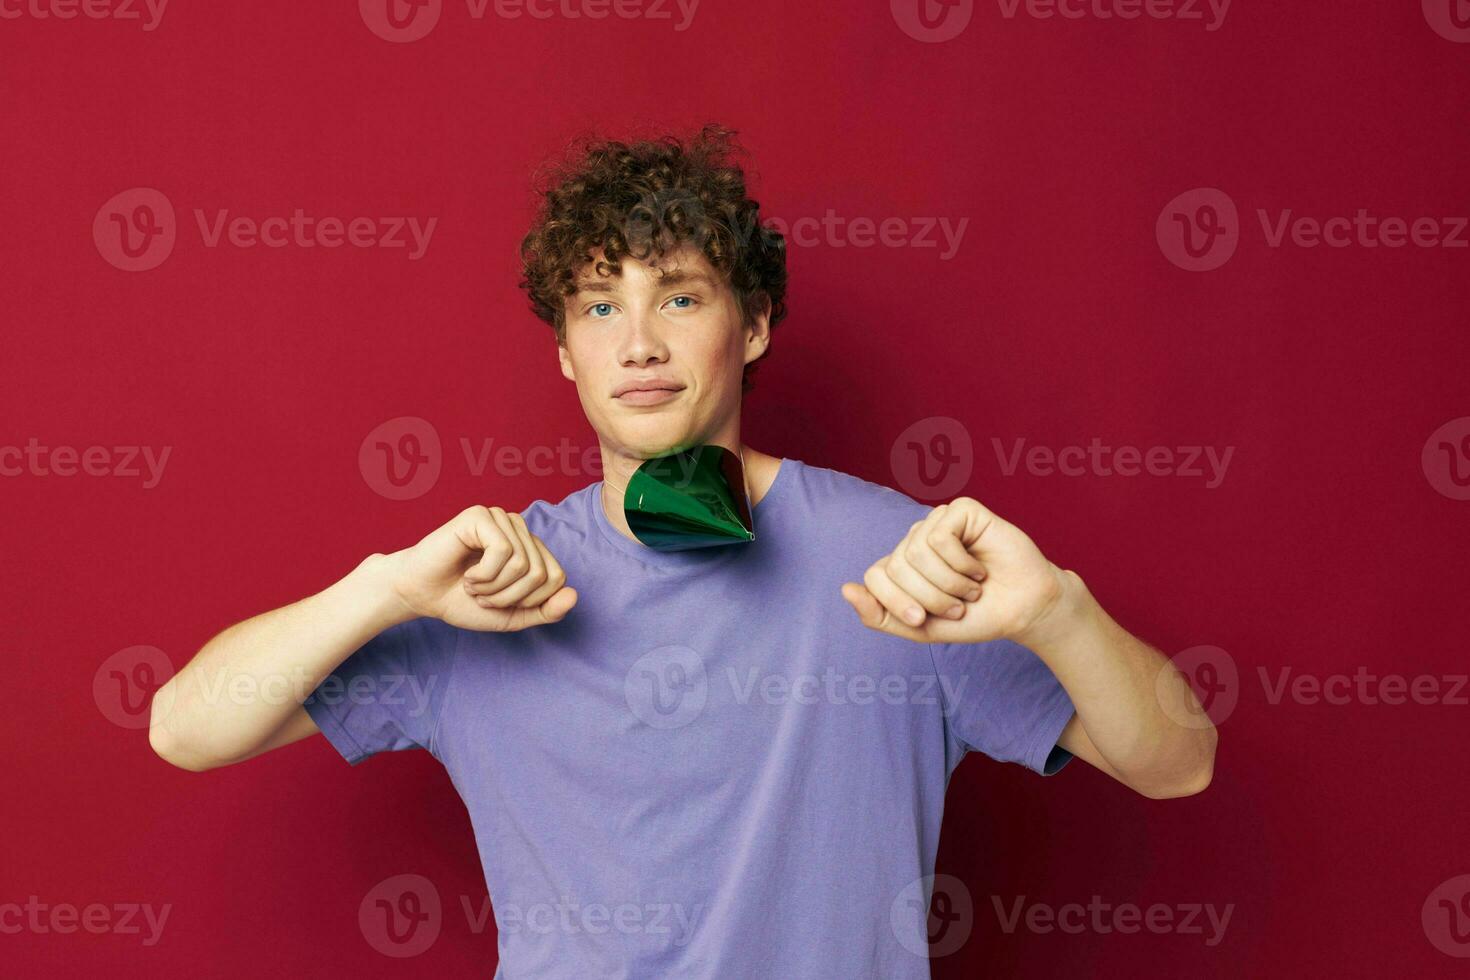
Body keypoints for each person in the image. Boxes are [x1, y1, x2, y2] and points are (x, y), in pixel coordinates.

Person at [148, 124, 1217, 978]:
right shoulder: (481, 588)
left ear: (751, 324)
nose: (641, 341)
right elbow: (186, 728)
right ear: (565, 353)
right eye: (601, 304)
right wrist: (384, 587)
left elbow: (1181, 762)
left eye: (680, 296)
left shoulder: (899, 560)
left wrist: (1055, 610)